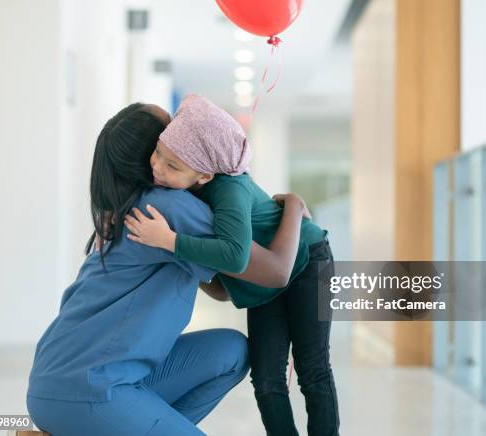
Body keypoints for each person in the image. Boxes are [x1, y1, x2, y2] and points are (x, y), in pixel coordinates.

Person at [26, 103, 309, 436]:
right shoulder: (172, 208)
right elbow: (275, 271)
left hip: (61, 376)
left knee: (231, 352)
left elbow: (219, 288)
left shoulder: (133, 203)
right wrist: (294, 205)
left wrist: (180, 250)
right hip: (88, 388)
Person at [125, 94, 340, 436]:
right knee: (267, 378)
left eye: (172, 166)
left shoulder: (229, 189)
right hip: (262, 282)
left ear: (205, 176)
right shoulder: (187, 186)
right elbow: (225, 287)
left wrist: (170, 242)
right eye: (158, 154)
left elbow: (236, 256)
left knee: (312, 368)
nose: (158, 168)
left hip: (307, 259)